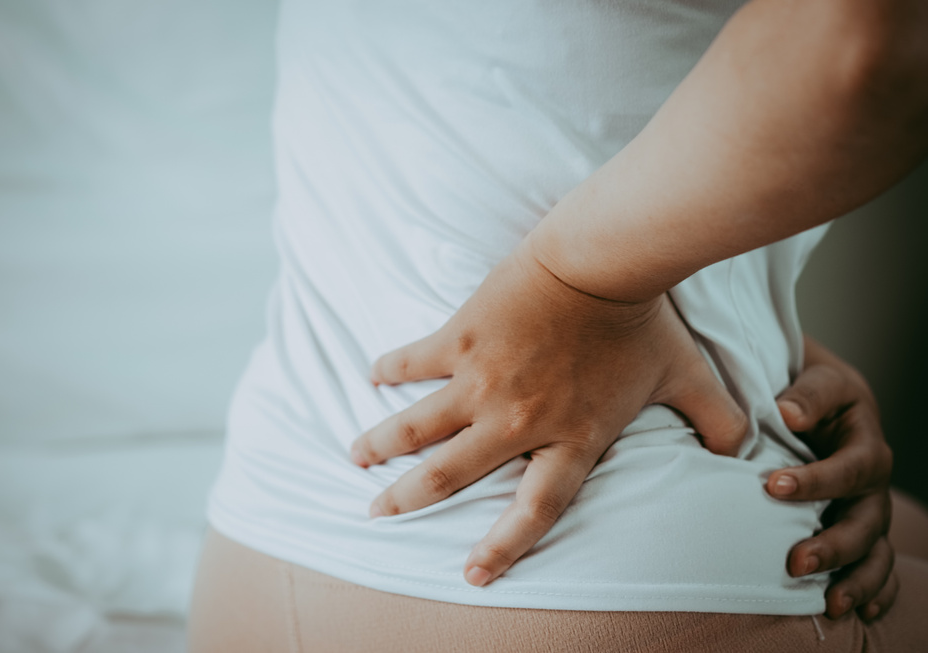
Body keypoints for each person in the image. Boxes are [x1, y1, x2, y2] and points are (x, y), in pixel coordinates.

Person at [188, 0, 928, 650]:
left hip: (265, 542)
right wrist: (576, 284)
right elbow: (865, 48)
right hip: (605, 583)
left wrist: (759, 349)